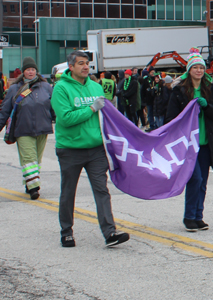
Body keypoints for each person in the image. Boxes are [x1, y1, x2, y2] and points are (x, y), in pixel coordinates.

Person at [51, 50, 130, 248]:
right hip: (70, 149)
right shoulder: (61, 89)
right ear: (71, 67)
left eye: (87, 63)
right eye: (80, 63)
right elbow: (66, 118)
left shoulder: (96, 87)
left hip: (96, 149)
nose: (85, 66)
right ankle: (66, 232)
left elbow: (106, 117)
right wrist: (92, 109)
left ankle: (110, 232)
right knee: (68, 192)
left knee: (101, 190)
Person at [165, 47, 213, 232]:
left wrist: (206, 107)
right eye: (195, 67)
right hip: (188, 145)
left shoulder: (209, 89)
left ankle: (199, 216)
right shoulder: (180, 91)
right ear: (189, 70)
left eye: (201, 67)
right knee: (195, 179)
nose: (199, 70)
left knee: (203, 182)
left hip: (207, 143)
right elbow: (171, 119)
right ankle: (189, 217)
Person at [0, 56, 54, 200]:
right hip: (22, 129)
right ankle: (34, 188)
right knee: (29, 159)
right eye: (28, 70)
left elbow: (54, 107)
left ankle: (29, 183)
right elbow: (5, 110)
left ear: (36, 71)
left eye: (33, 69)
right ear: (23, 72)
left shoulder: (47, 87)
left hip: (42, 128)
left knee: (36, 160)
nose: (30, 72)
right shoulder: (14, 89)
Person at [142, 66, 156, 132]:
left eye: (154, 72)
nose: (153, 73)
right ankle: (151, 125)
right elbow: (143, 90)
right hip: (149, 99)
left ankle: (156, 125)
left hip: (156, 99)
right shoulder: (146, 79)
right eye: (152, 72)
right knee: (150, 113)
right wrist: (143, 99)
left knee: (156, 113)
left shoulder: (156, 79)